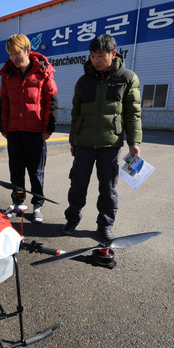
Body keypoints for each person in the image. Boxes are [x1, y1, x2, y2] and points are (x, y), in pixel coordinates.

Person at [62, 34, 142, 245]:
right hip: (84, 143)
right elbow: (76, 113)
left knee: (108, 187)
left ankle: (105, 225)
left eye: (99, 55)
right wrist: (73, 141)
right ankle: (72, 218)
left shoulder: (127, 78)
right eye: (92, 56)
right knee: (77, 184)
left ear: (112, 54)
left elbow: (133, 114)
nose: (95, 60)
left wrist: (135, 142)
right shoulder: (83, 81)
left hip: (110, 144)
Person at [0, 34, 58, 223]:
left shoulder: (43, 72)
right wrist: (4, 126)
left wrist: (49, 127)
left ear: (27, 51)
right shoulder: (8, 75)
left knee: (36, 171)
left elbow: (51, 101)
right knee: (16, 170)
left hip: (35, 131)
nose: (14, 58)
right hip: (15, 131)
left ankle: (37, 205)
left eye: (17, 53)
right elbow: (4, 102)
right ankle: (17, 203)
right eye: (10, 54)